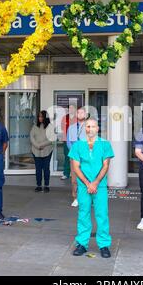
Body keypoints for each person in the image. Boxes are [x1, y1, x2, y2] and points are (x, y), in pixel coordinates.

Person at [69, 118, 114, 258]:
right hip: (84, 186)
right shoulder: (77, 145)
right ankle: (82, 244)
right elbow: (76, 167)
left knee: (102, 215)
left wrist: (94, 183)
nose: (90, 129)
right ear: (85, 129)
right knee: (83, 214)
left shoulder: (105, 144)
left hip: (99, 186)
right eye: (87, 126)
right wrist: (88, 184)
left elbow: (106, 166)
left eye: (93, 126)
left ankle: (104, 245)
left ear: (98, 128)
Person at [66, 106, 87, 207]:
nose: (80, 114)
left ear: (85, 114)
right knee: (74, 179)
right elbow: (68, 142)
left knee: (87, 177)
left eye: (82, 113)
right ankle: (76, 198)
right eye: (78, 113)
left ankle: (87, 198)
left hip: (86, 157)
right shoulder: (71, 127)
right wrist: (74, 152)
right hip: (74, 156)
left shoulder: (89, 127)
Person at [31, 110, 56, 193]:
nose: (40, 118)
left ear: (45, 117)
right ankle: (38, 185)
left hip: (47, 151)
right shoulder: (35, 126)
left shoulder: (50, 127)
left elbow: (51, 139)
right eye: (39, 116)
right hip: (36, 151)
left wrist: (42, 144)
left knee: (46, 168)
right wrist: (37, 145)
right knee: (38, 169)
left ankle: (46, 185)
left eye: (41, 116)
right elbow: (31, 137)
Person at [60, 104, 77, 180]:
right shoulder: (65, 118)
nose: (70, 109)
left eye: (72, 108)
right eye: (69, 108)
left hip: (76, 141)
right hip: (66, 140)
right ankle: (66, 173)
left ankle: (77, 173)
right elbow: (62, 128)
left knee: (77, 157)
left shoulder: (77, 118)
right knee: (67, 157)